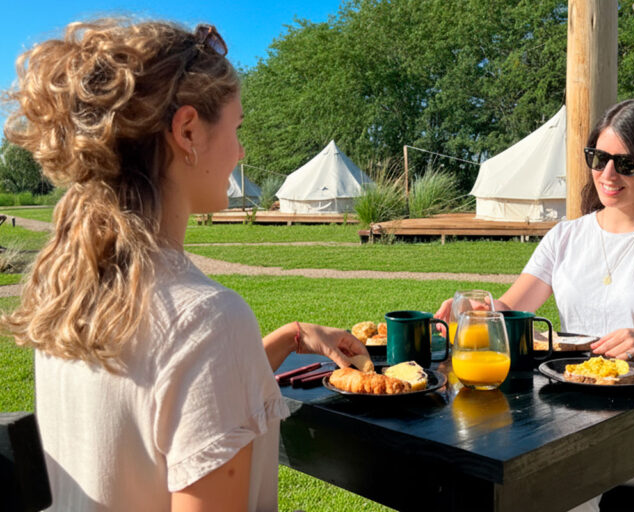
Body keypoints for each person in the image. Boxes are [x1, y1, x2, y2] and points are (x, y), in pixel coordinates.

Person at [0, 19, 367, 511]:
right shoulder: (206, 319)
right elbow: (187, 360)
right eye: (237, 128)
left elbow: (163, 399)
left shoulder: (70, 293)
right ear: (188, 131)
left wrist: (290, 337)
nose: (241, 151)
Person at [436, 98, 634, 510]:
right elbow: (512, 306)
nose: (607, 174)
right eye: (599, 158)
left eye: (626, 164)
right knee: (480, 456)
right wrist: (474, 311)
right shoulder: (566, 237)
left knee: (546, 479)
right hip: (568, 408)